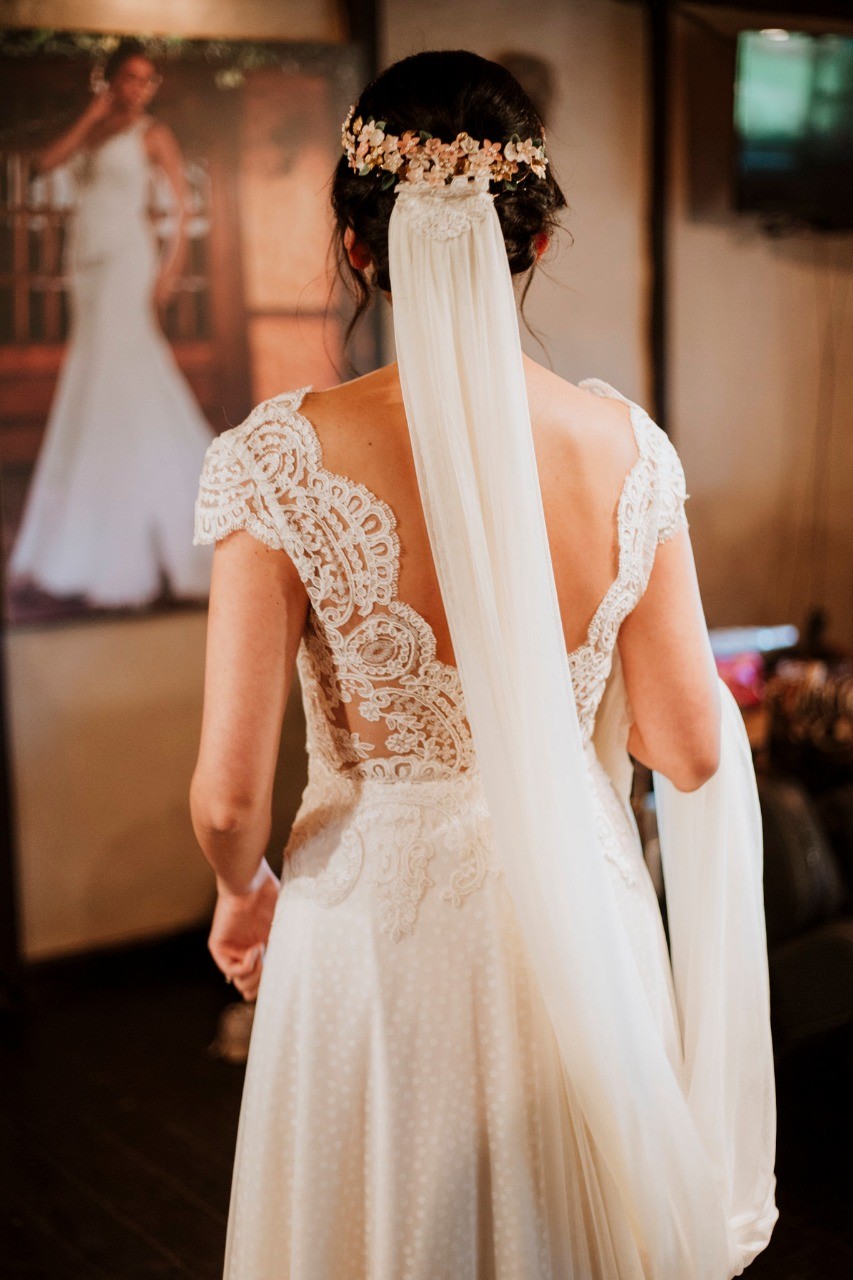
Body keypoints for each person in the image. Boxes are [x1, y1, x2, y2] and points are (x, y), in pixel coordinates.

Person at [190, 50, 777, 1279]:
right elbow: (687, 743)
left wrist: (241, 890)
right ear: (538, 242)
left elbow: (228, 800)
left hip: (373, 935)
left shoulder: (275, 459)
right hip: (582, 926)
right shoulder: (627, 449)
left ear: (359, 249)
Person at [8, 39, 215, 607]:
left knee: (126, 373)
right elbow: (44, 166)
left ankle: (157, 528)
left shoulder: (154, 134)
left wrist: (171, 271)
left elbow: (182, 207)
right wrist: (93, 114)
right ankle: (87, 530)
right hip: (86, 262)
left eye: (148, 80)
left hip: (128, 258)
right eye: (130, 77)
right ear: (110, 79)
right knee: (92, 378)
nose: (139, 88)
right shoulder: (95, 126)